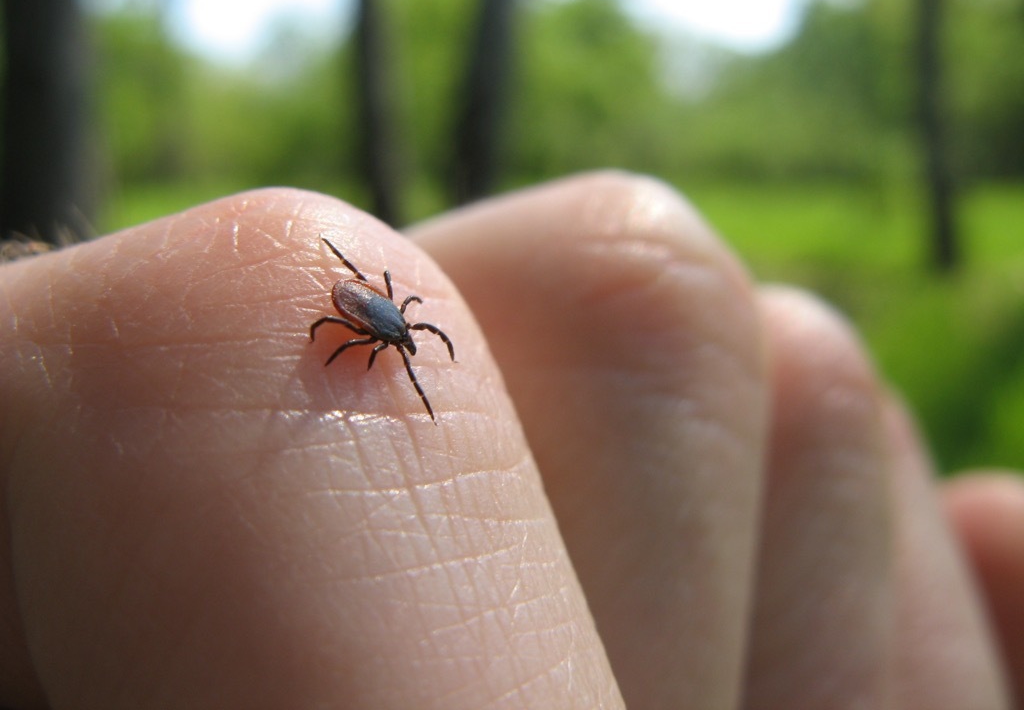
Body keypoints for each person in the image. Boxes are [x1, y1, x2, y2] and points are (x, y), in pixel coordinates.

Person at [0, 172, 1020, 708]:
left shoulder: (371, 326)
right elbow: (343, 312)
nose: (394, 338)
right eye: (393, 335)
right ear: (386, 323)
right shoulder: (374, 320)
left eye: (394, 336)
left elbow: (348, 318)